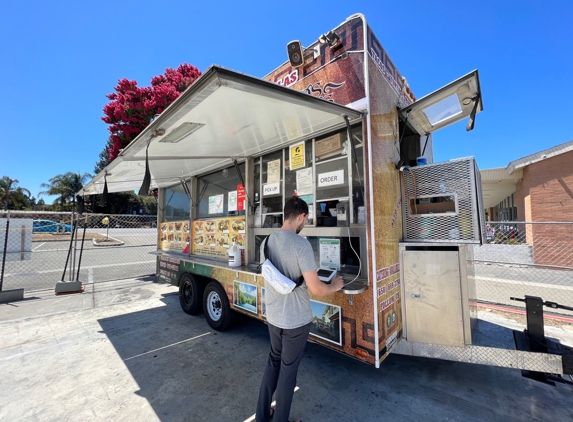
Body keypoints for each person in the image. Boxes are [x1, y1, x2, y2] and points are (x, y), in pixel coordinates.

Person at [255, 196, 344, 422]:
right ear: (302, 216)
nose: (305, 224)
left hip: (273, 317)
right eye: (306, 219)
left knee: (273, 362)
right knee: (288, 371)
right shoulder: (301, 244)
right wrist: (334, 285)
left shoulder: (265, 243)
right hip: (295, 321)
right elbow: (315, 288)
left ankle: (262, 415)